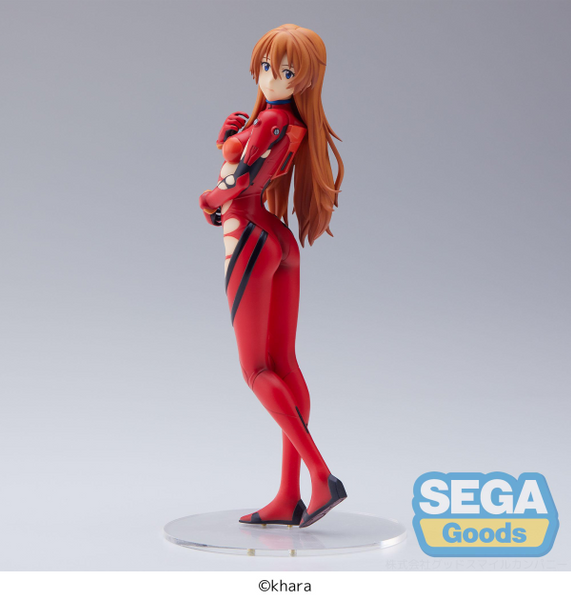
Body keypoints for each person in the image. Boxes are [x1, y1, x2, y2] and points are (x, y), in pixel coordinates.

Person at [199, 24, 346, 528]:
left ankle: (320, 476)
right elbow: (249, 163)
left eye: (284, 71)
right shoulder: (289, 120)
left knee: (256, 370)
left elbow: (243, 180)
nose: (270, 78)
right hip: (276, 238)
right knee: (283, 363)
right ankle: (288, 495)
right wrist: (228, 140)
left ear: (304, 79)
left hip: (248, 237)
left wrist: (209, 198)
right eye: (266, 67)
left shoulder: (271, 120)